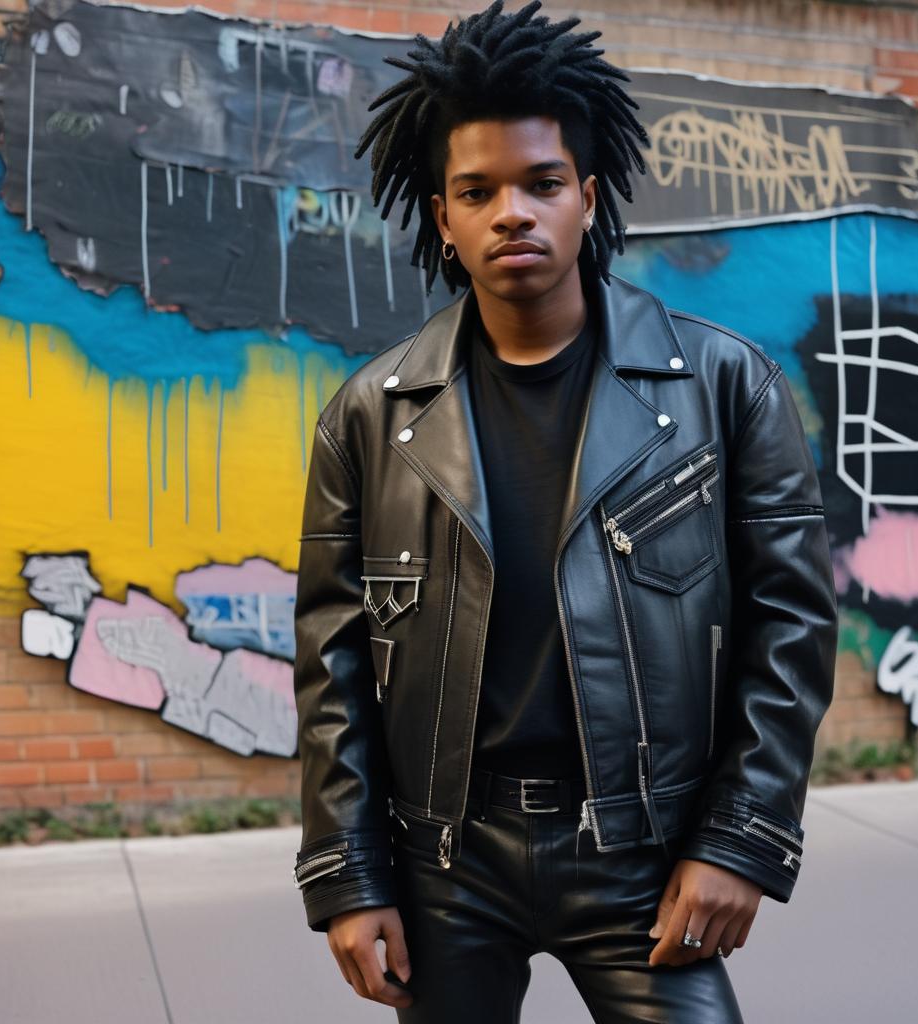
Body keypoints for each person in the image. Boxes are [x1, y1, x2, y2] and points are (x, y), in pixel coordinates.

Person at [292, 2, 839, 1021]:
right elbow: (334, 665)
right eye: (477, 190)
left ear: (587, 198)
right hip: (442, 860)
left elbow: (793, 628)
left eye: (542, 184)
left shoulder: (724, 388)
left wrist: (737, 842)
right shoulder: (369, 418)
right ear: (442, 217)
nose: (513, 212)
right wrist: (349, 875)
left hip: (637, 852)